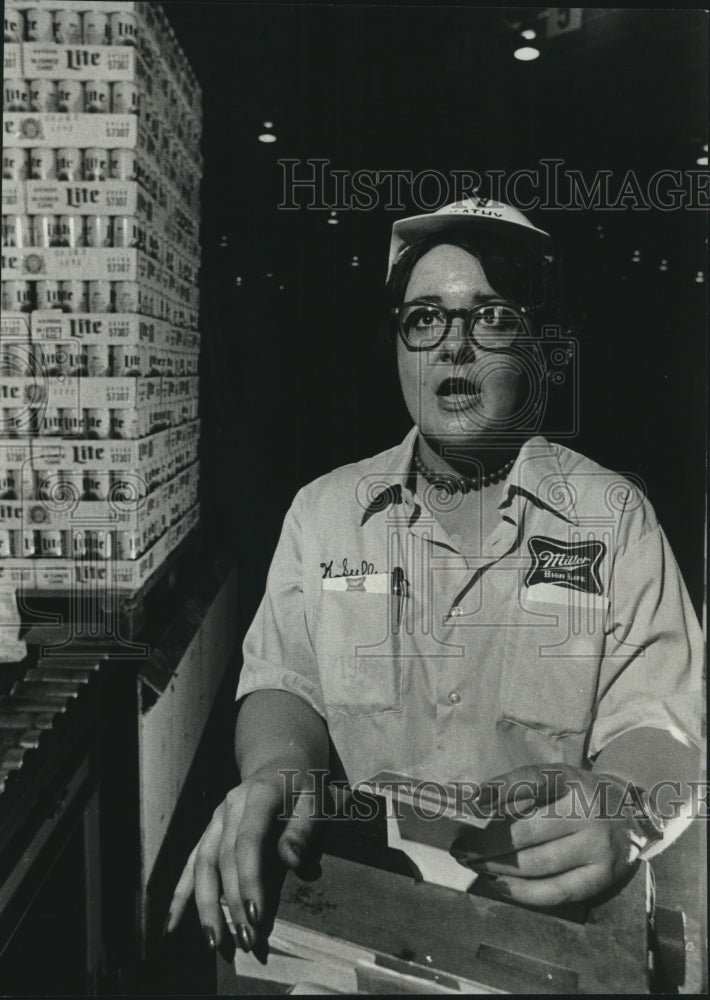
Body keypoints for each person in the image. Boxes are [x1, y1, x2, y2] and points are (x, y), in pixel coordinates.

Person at [166, 199, 703, 958]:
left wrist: (623, 807)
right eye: (425, 318)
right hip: (350, 910)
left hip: (536, 936)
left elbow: (662, 723)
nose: (453, 346)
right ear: (399, 345)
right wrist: (276, 772)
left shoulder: (615, 521)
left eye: (488, 318)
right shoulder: (324, 515)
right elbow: (286, 680)